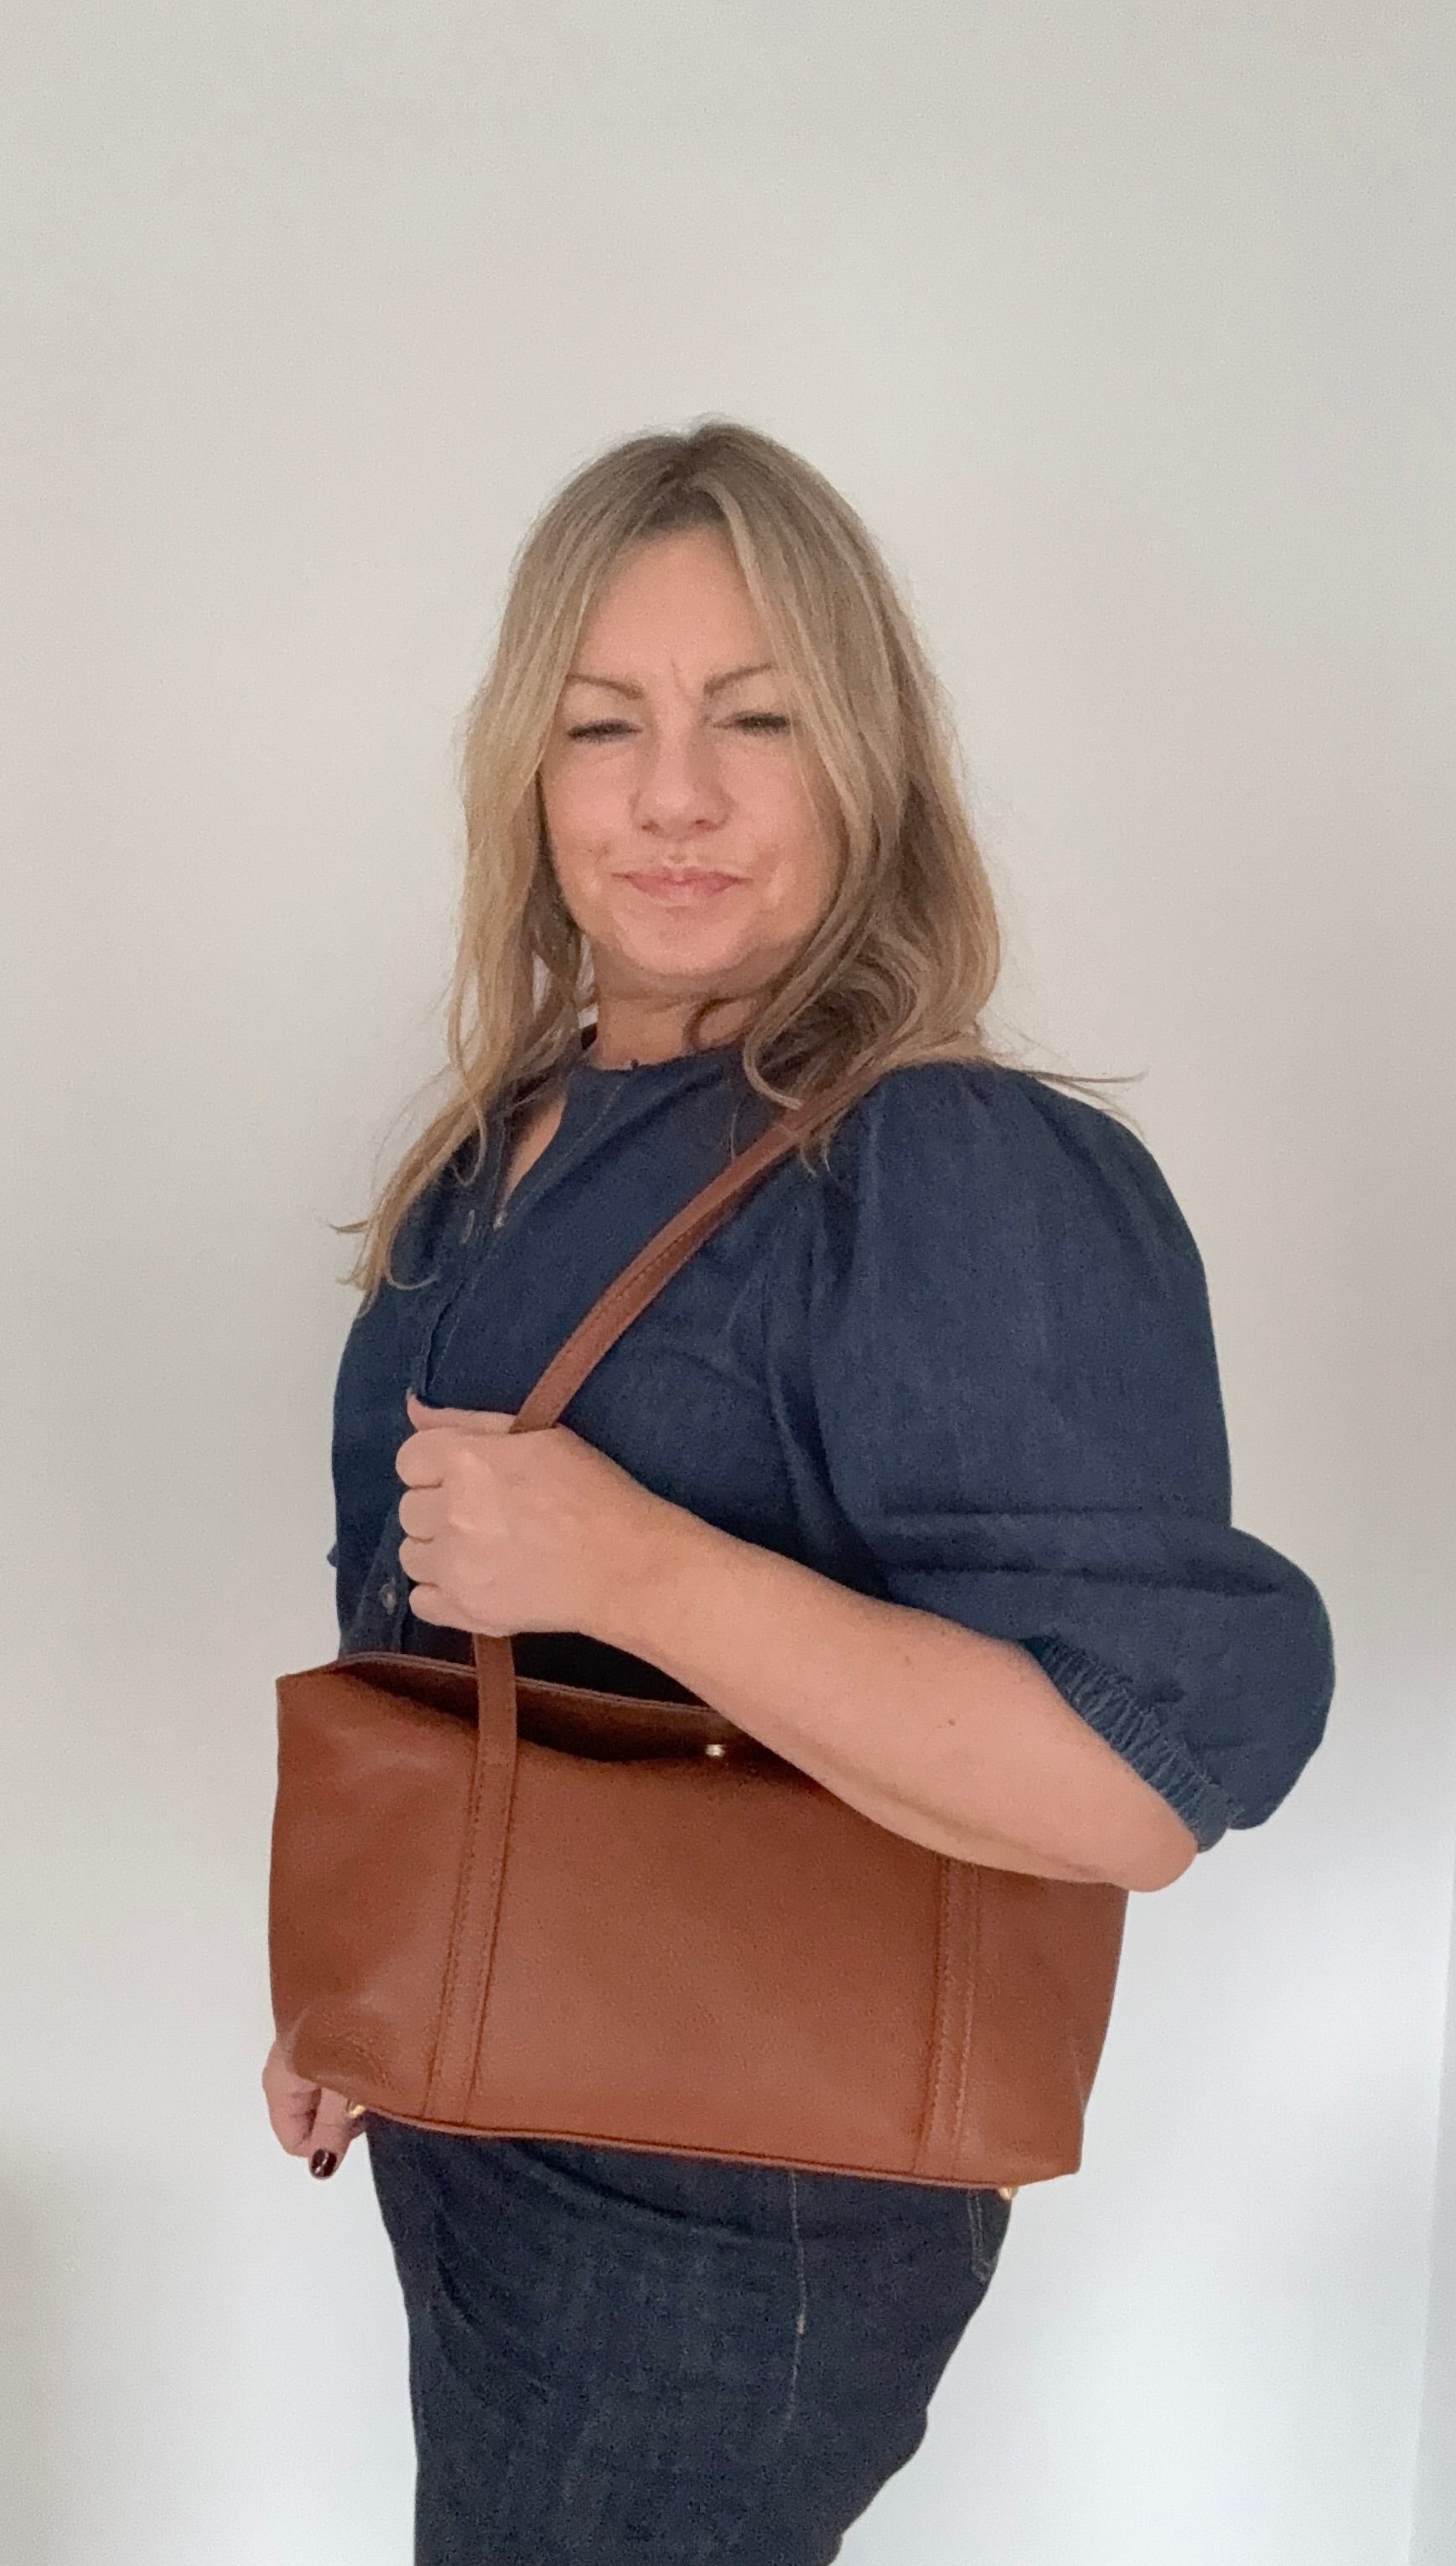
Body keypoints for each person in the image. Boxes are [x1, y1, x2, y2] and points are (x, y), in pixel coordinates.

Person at [262, 419, 1334, 2564]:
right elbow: (458, 1644)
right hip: (493, 2127)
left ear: (866, 762)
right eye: (604, 724)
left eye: (756, 717)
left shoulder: (931, 1161)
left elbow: (1120, 1785)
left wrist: (637, 1560)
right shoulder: (508, 1145)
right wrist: (368, 1972)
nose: (674, 794)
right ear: (527, 770)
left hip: (732, 2221)